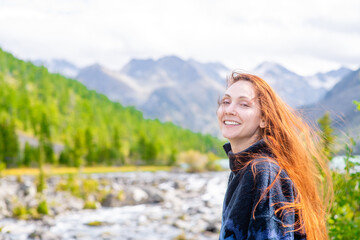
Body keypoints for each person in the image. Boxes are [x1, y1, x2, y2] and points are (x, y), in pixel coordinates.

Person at [217, 72, 332, 240]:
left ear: (264, 119)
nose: (229, 110)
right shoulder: (244, 168)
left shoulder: (262, 171)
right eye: (226, 102)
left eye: (243, 104)